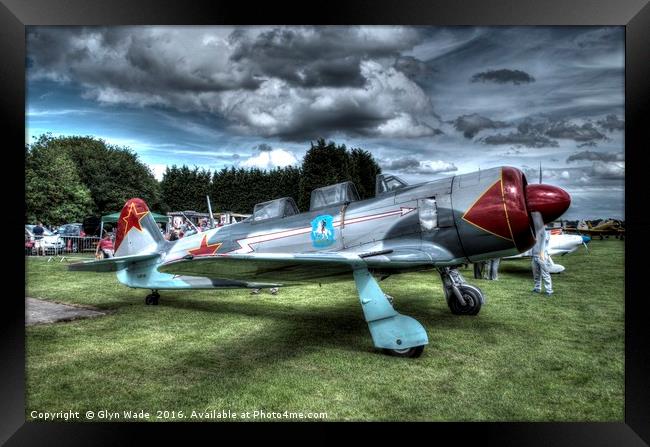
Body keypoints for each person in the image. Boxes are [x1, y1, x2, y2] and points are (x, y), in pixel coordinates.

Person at [532, 229, 553, 296]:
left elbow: (544, 241)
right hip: (534, 255)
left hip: (542, 256)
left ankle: (549, 291)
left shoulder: (545, 230)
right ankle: (537, 288)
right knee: (536, 274)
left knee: (545, 274)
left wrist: (542, 254)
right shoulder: (535, 229)